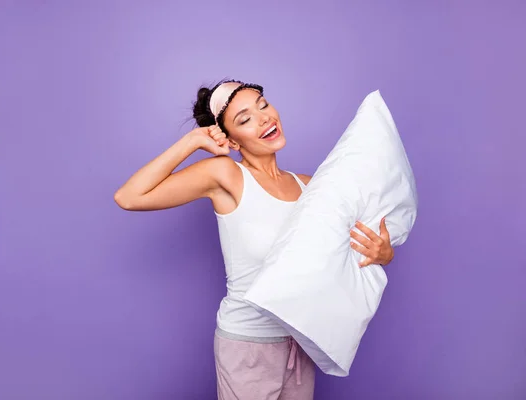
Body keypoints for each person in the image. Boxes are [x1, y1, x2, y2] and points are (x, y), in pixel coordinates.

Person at [114, 79, 395, 399]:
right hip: (247, 346)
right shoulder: (225, 175)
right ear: (232, 140)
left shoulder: (310, 187)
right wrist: (193, 141)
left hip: (301, 344)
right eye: (245, 119)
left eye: (263, 105)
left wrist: (383, 254)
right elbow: (129, 196)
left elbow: (346, 255)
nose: (264, 118)